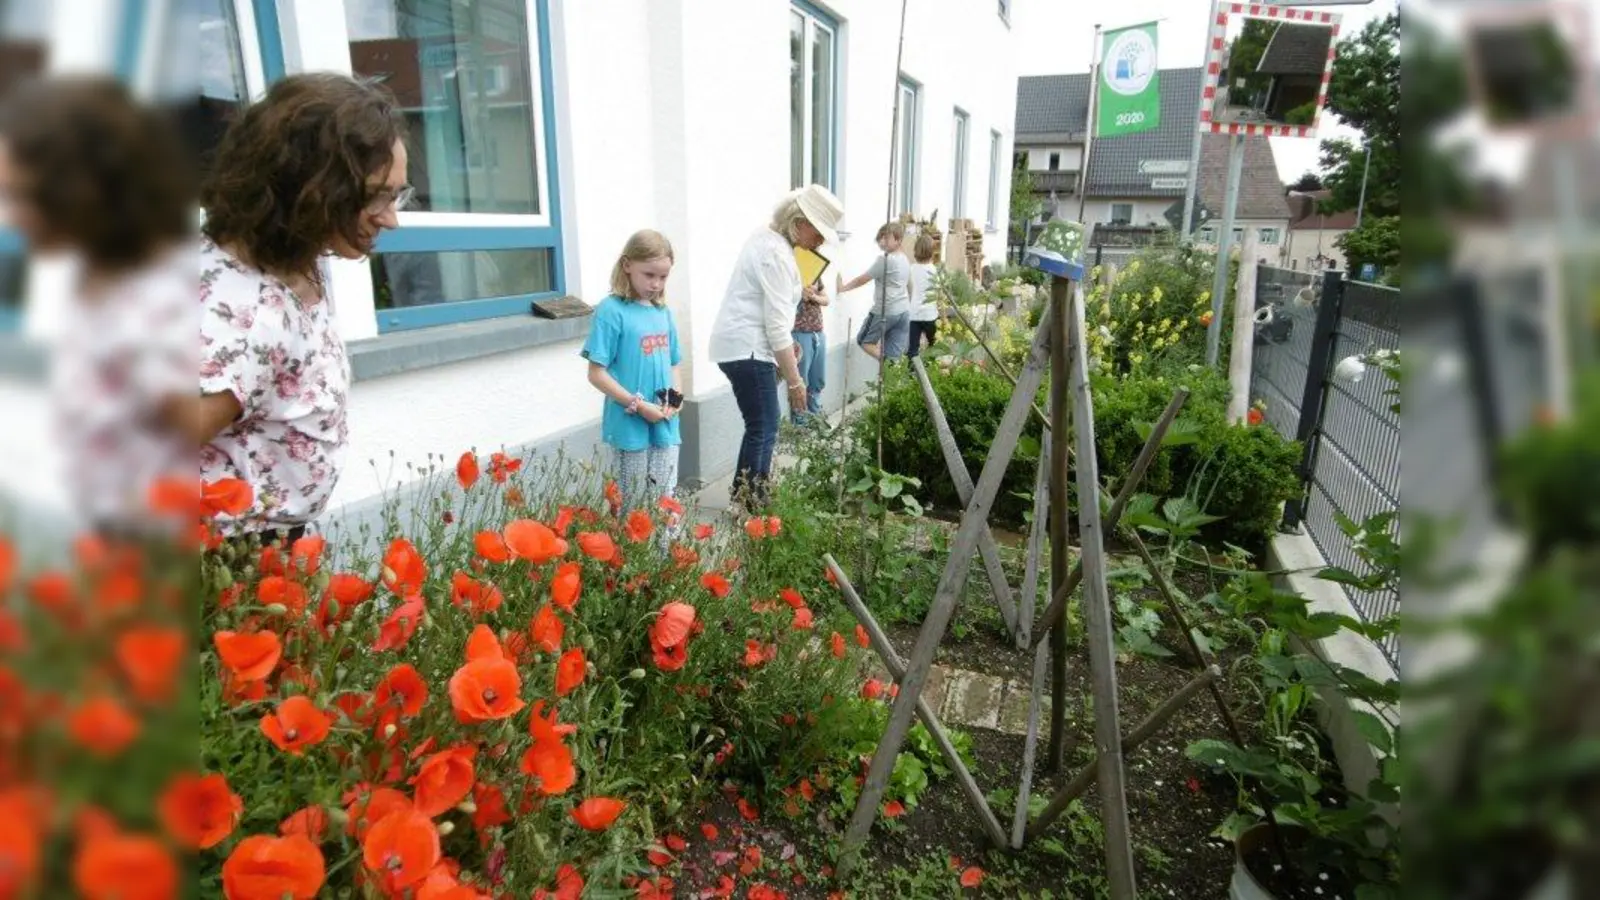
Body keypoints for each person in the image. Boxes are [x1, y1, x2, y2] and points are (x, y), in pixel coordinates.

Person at [196, 73, 408, 544]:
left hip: (278, 540)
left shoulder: (299, 257)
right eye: (376, 195)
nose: (392, 218)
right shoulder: (241, 319)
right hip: (233, 555)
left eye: (396, 193)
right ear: (307, 187)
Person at [0, 76, 194, 535]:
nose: (10, 218)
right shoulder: (97, 273)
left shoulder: (160, 299)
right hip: (108, 533)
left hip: (154, 547)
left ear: (84, 188)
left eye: (22, 195)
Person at [708, 184, 844, 509]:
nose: (820, 241)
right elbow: (777, 327)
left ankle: (744, 497)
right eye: (818, 233)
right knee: (766, 425)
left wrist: (786, 352)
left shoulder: (768, 240)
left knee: (759, 425)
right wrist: (796, 381)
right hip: (748, 348)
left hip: (744, 346)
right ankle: (753, 503)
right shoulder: (777, 255)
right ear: (800, 223)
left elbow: (774, 318)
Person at [581, 229, 683, 512]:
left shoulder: (663, 313)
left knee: (665, 501)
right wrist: (637, 404)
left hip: (664, 424)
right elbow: (596, 373)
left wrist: (675, 399)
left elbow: (674, 363)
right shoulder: (611, 310)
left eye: (663, 277)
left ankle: (667, 543)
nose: (656, 284)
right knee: (633, 504)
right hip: (630, 426)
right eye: (649, 275)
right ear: (627, 265)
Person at [838, 222, 910, 361]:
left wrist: (843, 288)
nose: (882, 241)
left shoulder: (885, 260)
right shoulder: (905, 259)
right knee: (893, 353)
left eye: (886, 238)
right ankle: (891, 367)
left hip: (886, 310)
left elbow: (863, 279)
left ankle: (887, 363)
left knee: (864, 341)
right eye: (881, 237)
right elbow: (908, 283)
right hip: (903, 312)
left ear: (898, 240)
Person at [790, 276, 828, 423]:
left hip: (817, 333)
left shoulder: (816, 274)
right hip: (800, 333)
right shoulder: (790, 273)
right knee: (801, 380)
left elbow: (826, 299)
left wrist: (813, 296)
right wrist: (800, 294)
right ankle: (800, 423)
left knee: (818, 379)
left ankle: (815, 418)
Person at [906, 232, 939, 359]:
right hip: (930, 315)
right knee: (933, 347)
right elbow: (939, 294)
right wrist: (943, 317)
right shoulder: (934, 270)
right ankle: (931, 367)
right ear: (932, 252)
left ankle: (911, 370)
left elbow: (907, 291)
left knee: (913, 349)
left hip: (914, 315)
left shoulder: (911, 269)